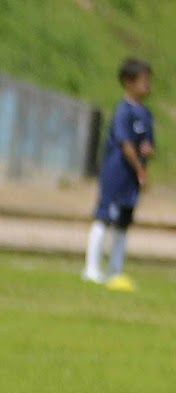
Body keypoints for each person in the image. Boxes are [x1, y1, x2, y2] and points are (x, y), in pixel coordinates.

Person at [84, 59, 155, 290]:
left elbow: (148, 144)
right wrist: (139, 168)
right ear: (128, 82)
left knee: (123, 223)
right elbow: (125, 145)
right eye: (144, 81)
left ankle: (116, 269)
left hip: (133, 178)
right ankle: (91, 269)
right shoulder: (123, 111)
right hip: (118, 173)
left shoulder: (146, 114)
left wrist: (148, 152)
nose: (148, 86)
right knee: (104, 218)